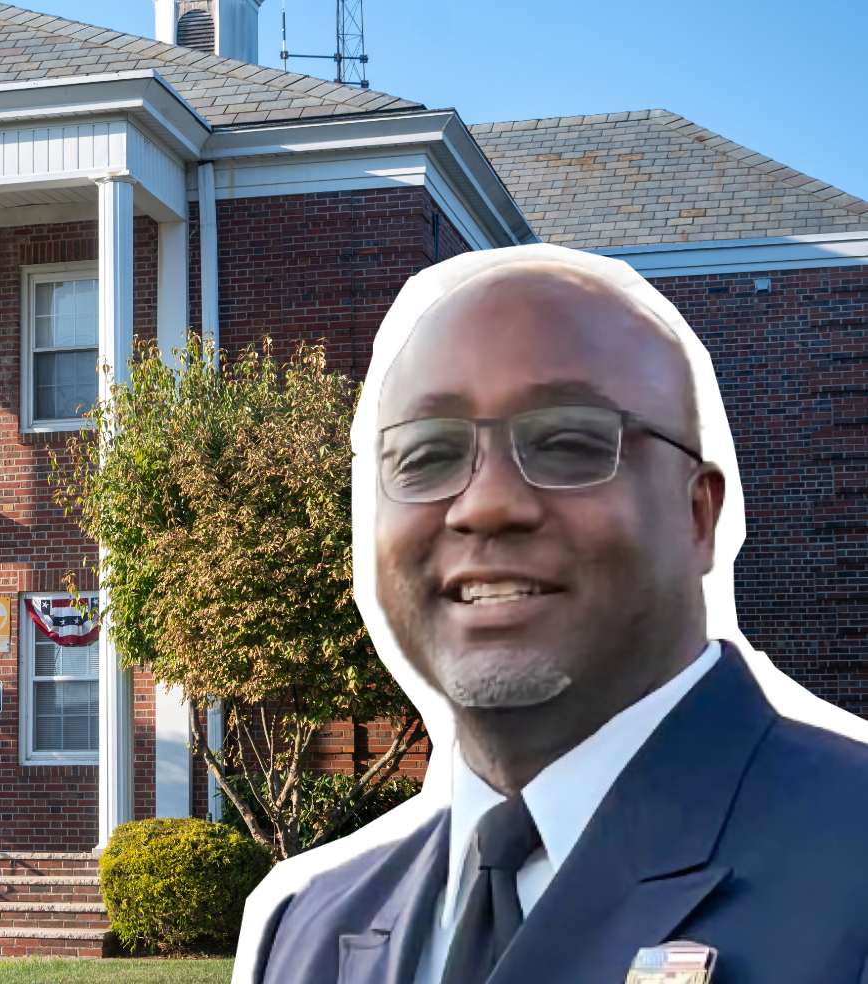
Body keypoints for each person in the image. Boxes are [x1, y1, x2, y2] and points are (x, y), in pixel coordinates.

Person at [232, 244, 868, 984]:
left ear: (698, 515)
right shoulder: (303, 933)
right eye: (426, 455)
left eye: (568, 442)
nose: (484, 505)